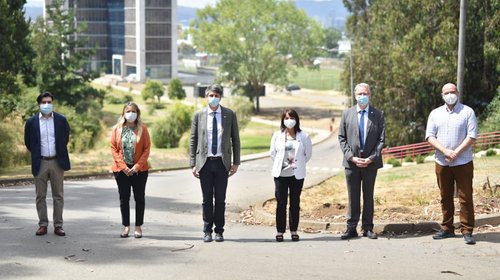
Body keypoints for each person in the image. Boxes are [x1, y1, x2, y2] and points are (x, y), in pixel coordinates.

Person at [425, 83, 478, 245]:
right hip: (442, 161)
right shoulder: (435, 114)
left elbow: (472, 136)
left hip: (463, 161)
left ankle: (467, 230)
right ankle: (447, 228)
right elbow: (430, 136)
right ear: (442, 95)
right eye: (446, 92)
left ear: (458, 93)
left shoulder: (467, 112)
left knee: (465, 197)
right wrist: (446, 151)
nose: (450, 94)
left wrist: (456, 152)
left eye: (452, 91)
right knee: (445, 196)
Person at [189, 84, 240, 242]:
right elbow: (193, 139)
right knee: (206, 199)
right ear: (206, 97)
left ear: (220, 97)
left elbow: (235, 140)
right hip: (204, 163)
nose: (213, 98)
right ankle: (207, 231)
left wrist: (236, 162)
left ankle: (219, 231)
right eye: (211, 95)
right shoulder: (199, 115)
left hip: (221, 163)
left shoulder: (229, 114)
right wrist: (193, 163)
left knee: (220, 199)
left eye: (216, 95)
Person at [338, 83, 385, 240]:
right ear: (355, 96)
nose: (362, 96)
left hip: (370, 164)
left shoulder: (378, 114)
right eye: (359, 94)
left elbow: (381, 139)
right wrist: (351, 157)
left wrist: (371, 158)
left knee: (368, 196)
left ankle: (368, 227)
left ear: (370, 95)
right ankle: (351, 228)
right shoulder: (347, 114)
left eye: (365, 93)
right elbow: (342, 138)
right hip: (351, 163)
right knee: (353, 196)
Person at [24, 92, 71, 237]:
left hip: (57, 161)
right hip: (40, 161)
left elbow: (65, 138)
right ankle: (43, 225)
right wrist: (38, 154)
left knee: (58, 196)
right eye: (44, 102)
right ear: (39, 104)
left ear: (52, 103)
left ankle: (58, 225)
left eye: (49, 102)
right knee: (40, 196)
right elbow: (28, 142)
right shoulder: (31, 122)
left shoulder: (61, 120)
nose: (46, 105)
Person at [270, 109, 312, 242]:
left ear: (296, 119)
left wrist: (296, 165)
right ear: (283, 120)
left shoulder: (304, 136)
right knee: (281, 203)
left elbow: (308, 154)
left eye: (291, 117)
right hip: (280, 175)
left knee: (295, 202)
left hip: (296, 175)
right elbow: (273, 153)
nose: (289, 120)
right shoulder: (277, 135)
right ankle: (280, 231)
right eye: (286, 118)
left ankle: (294, 230)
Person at [110, 102, 151, 238]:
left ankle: (138, 226)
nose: (131, 114)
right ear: (123, 114)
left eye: (133, 111)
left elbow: (146, 149)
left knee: (139, 198)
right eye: (128, 111)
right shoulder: (117, 129)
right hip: (121, 171)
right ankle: (126, 226)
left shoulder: (143, 129)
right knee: (124, 198)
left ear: (137, 113)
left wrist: (136, 167)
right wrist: (123, 167)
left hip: (139, 171)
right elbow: (114, 149)